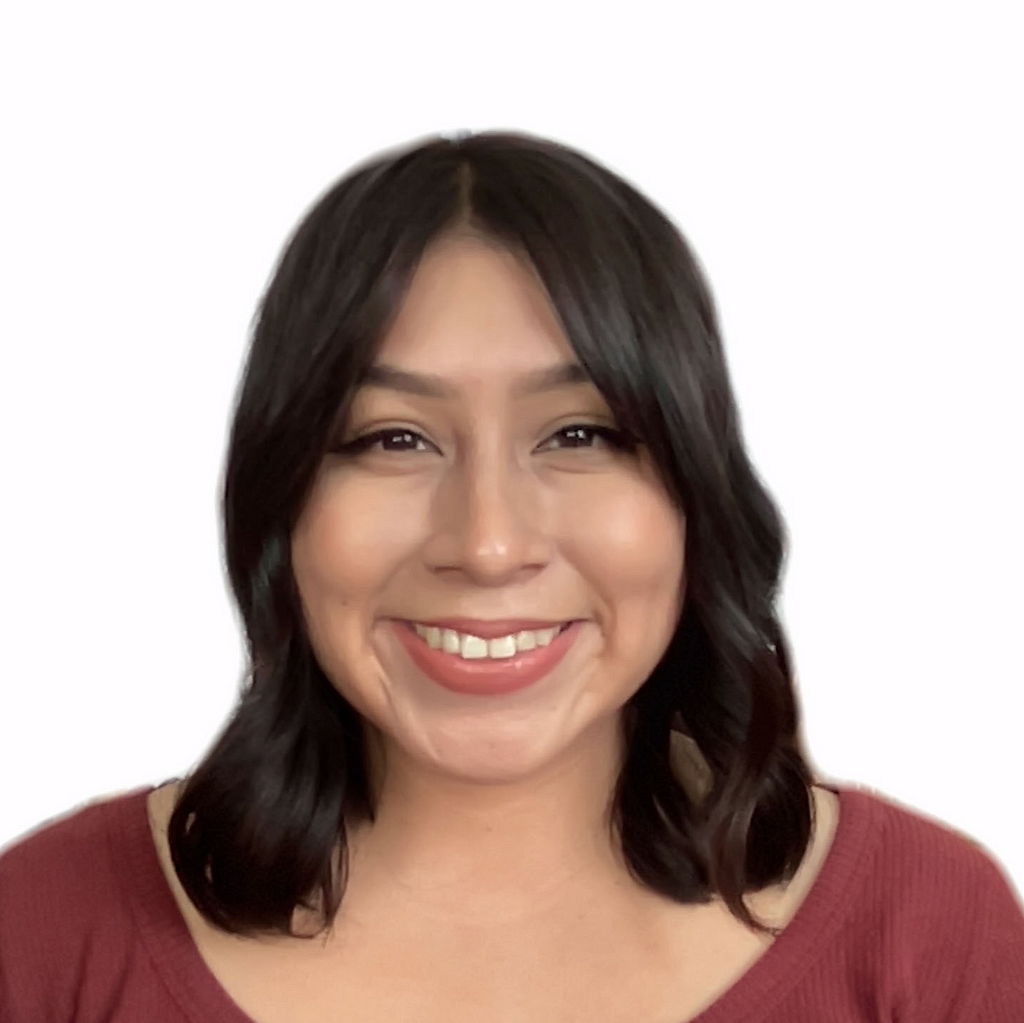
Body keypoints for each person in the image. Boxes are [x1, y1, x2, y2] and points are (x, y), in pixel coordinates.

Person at [1, 130, 1022, 1022]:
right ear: (282, 506)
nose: (487, 545)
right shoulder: (47, 932)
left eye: (579, 433)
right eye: (392, 438)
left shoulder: (922, 936)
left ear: (693, 498)